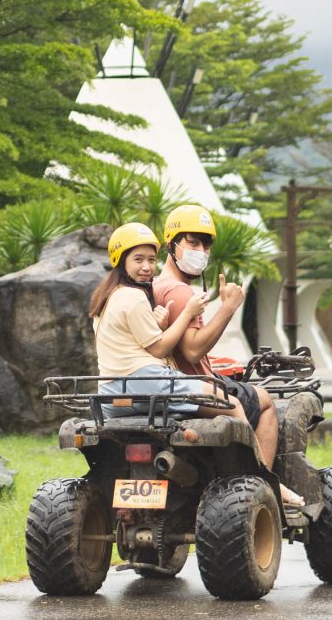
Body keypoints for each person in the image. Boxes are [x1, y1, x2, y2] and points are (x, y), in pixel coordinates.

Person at [92, 218, 293, 497]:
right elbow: (166, 350)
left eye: (151, 259)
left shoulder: (108, 298)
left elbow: (139, 342)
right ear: (121, 261)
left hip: (111, 393)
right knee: (232, 404)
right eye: (138, 259)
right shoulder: (138, 296)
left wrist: (160, 324)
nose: (147, 266)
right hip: (148, 383)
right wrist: (191, 311)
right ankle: (263, 483)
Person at [149, 204, 288, 481]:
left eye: (206, 245)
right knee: (264, 400)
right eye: (192, 242)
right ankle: (265, 485)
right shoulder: (178, 289)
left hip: (164, 384)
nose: (200, 251)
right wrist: (228, 307)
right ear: (171, 245)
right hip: (194, 387)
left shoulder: (154, 285)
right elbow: (192, 350)